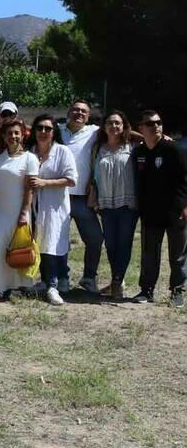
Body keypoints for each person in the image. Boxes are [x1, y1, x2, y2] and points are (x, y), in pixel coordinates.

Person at [133, 110, 187, 306]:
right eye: (150, 123)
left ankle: (177, 292)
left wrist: (185, 206)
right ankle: (146, 291)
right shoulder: (138, 152)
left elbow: (184, 180)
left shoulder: (174, 149)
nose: (155, 126)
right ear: (141, 128)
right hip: (150, 211)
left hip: (175, 210)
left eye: (158, 122)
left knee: (178, 254)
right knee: (149, 253)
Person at [27, 114, 77, 306]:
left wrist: (44, 182)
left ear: (54, 132)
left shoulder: (63, 152)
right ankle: (42, 281)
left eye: (48, 128)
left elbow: (72, 179)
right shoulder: (30, 152)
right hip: (34, 206)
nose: (43, 132)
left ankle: (52, 286)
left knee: (52, 244)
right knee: (38, 244)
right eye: (40, 128)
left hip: (55, 207)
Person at [89, 110, 140, 299]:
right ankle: (116, 279)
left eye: (118, 123)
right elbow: (93, 175)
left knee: (124, 243)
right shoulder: (97, 148)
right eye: (110, 123)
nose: (114, 127)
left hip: (128, 203)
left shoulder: (133, 147)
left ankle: (117, 282)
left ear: (124, 126)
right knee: (111, 244)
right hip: (105, 204)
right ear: (104, 127)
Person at [0, 119, 39, 299]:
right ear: (4, 136)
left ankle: (20, 285)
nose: (13, 136)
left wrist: (25, 212)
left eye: (17, 133)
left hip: (19, 210)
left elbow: (29, 188)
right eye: (9, 133)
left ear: (23, 134)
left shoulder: (30, 158)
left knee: (19, 247)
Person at [59, 99, 104, 292]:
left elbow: (122, 132)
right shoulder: (57, 129)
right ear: (69, 111)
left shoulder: (94, 131)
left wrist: (157, 138)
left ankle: (89, 278)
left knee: (95, 239)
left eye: (83, 111)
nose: (79, 113)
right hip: (58, 196)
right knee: (59, 241)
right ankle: (61, 278)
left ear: (88, 115)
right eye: (76, 110)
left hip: (82, 199)